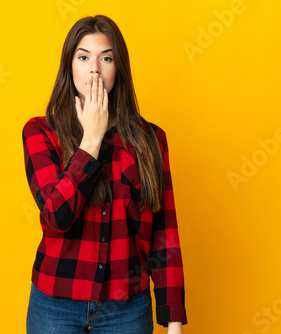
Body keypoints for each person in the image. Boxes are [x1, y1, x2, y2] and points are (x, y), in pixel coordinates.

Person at [22, 14, 187, 334]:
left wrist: (174, 319)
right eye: (83, 57)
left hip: (127, 308)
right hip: (55, 304)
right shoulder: (41, 132)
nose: (94, 68)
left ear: (118, 68)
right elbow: (57, 215)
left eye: (106, 58)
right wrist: (92, 140)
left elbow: (164, 232)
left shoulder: (151, 139)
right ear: (70, 67)